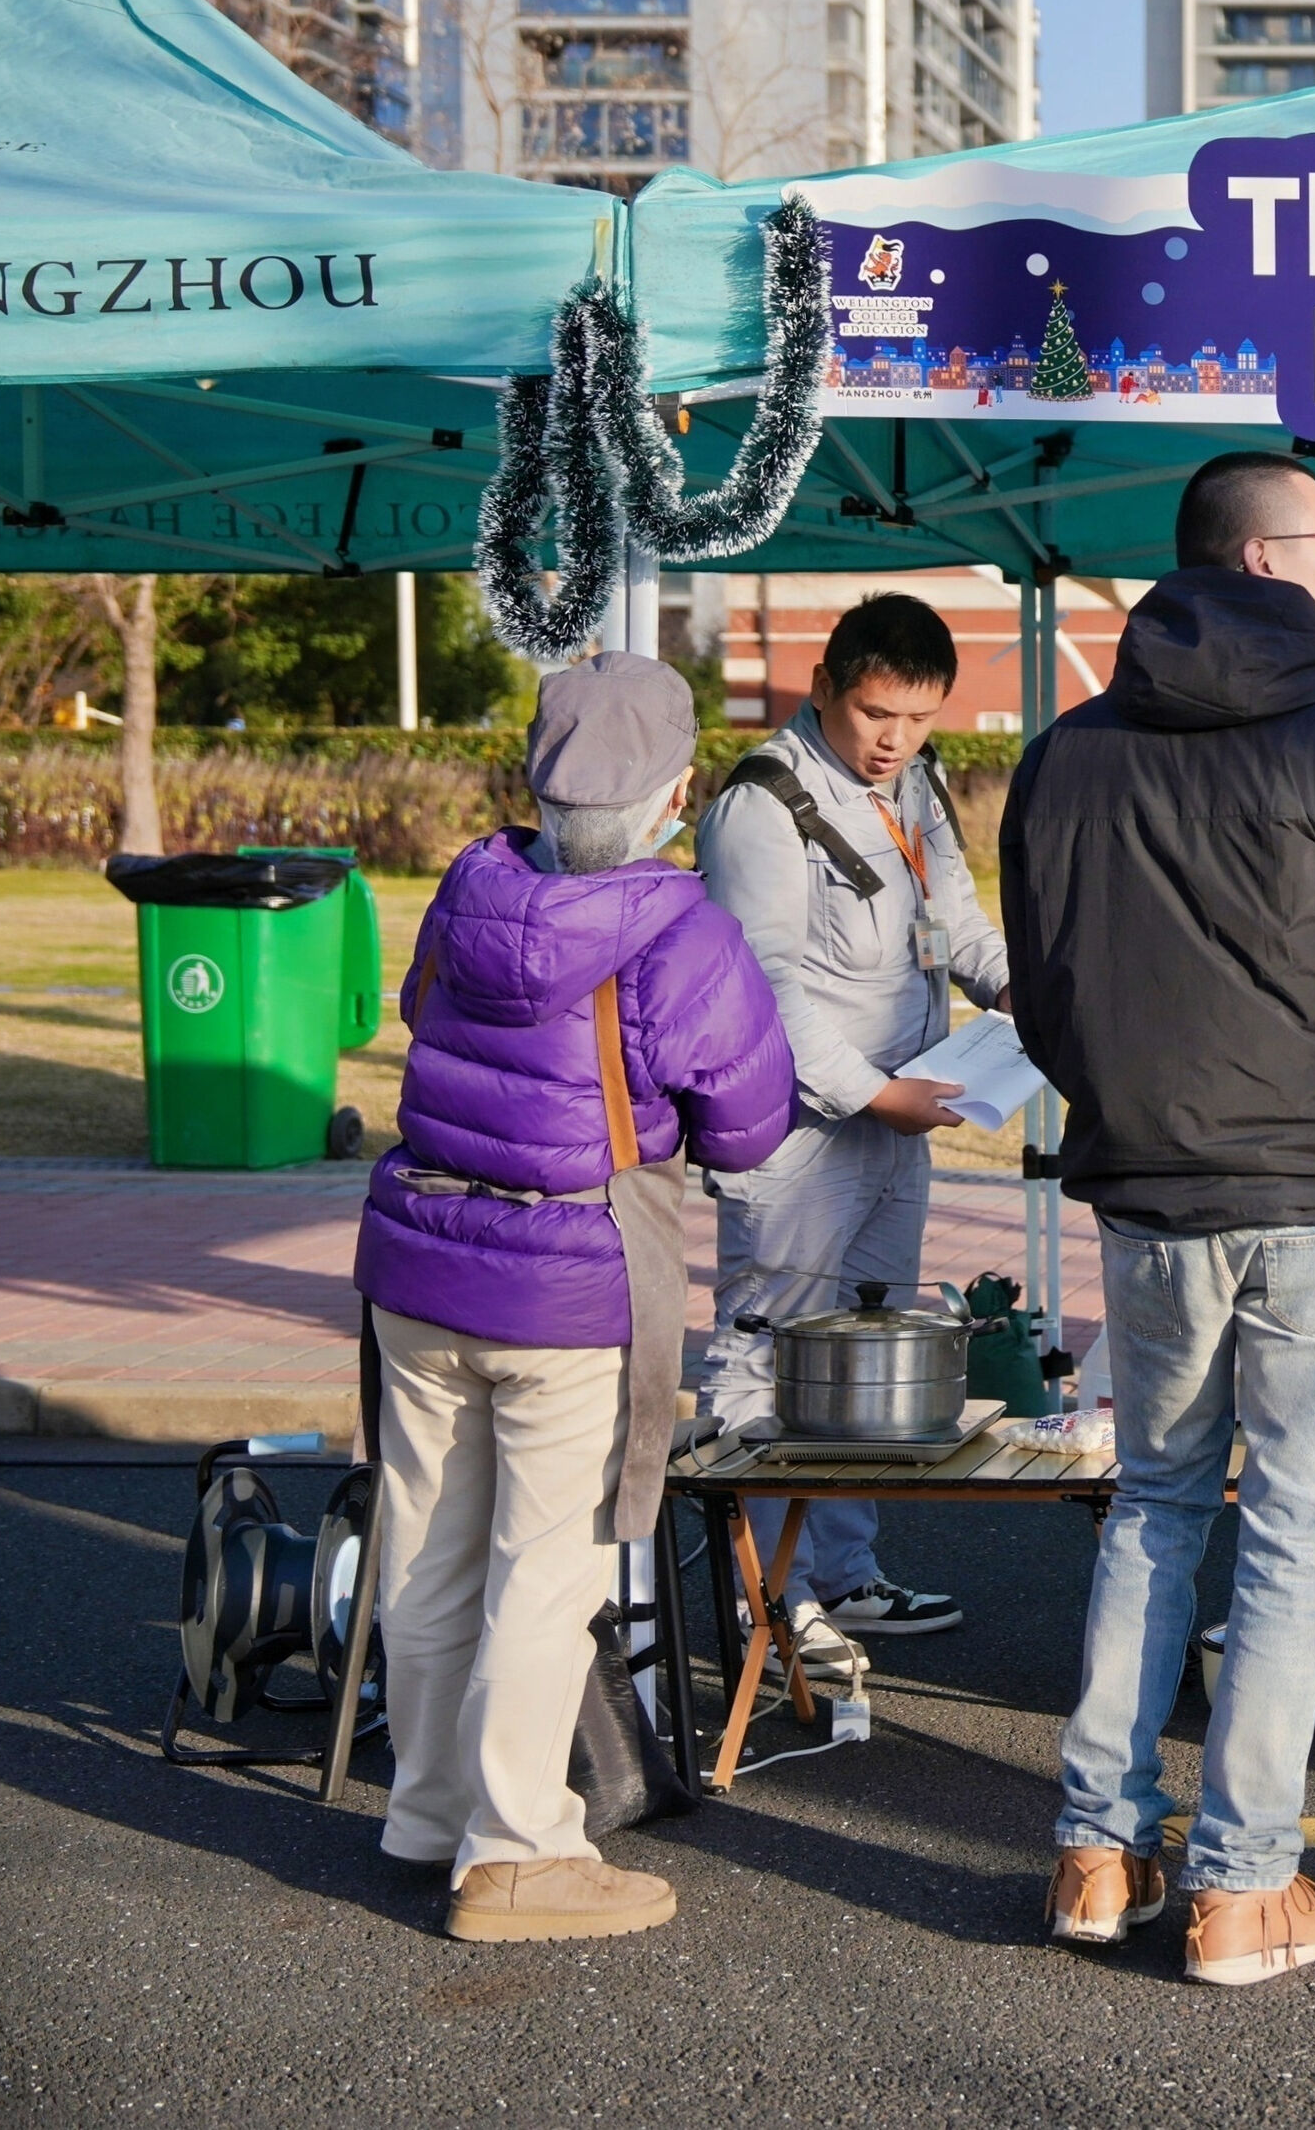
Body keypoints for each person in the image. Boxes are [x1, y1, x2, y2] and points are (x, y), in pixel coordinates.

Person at [1005, 450, 1315, 1984]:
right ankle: (1242, 1881)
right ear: (1268, 560)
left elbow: (1046, 989)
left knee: (1155, 1504)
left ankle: (1096, 1852)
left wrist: (1130, 1117)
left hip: (1158, 1192)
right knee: (1288, 1533)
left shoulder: (1068, 753)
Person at [353, 654, 793, 1942]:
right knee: (545, 1573)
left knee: (426, 1548)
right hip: (570, 1280)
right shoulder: (685, 932)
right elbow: (750, 1124)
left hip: (421, 1256)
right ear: (677, 792)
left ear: (538, 780)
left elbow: (420, 1011)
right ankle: (518, 1849)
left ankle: (431, 1811)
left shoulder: (467, 887)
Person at [694, 592, 1012, 1664]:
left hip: (897, 1116)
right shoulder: (762, 803)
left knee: (866, 1365)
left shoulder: (915, 783)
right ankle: (765, 1605)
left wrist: (1017, 988)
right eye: (877, 713)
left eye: (919, 718)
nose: (895, 740)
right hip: (802, 1133)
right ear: (824, 685)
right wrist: (878, 1095)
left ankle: (841, 1575)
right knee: (768, 1355)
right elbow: (764, 987)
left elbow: (956, 923)